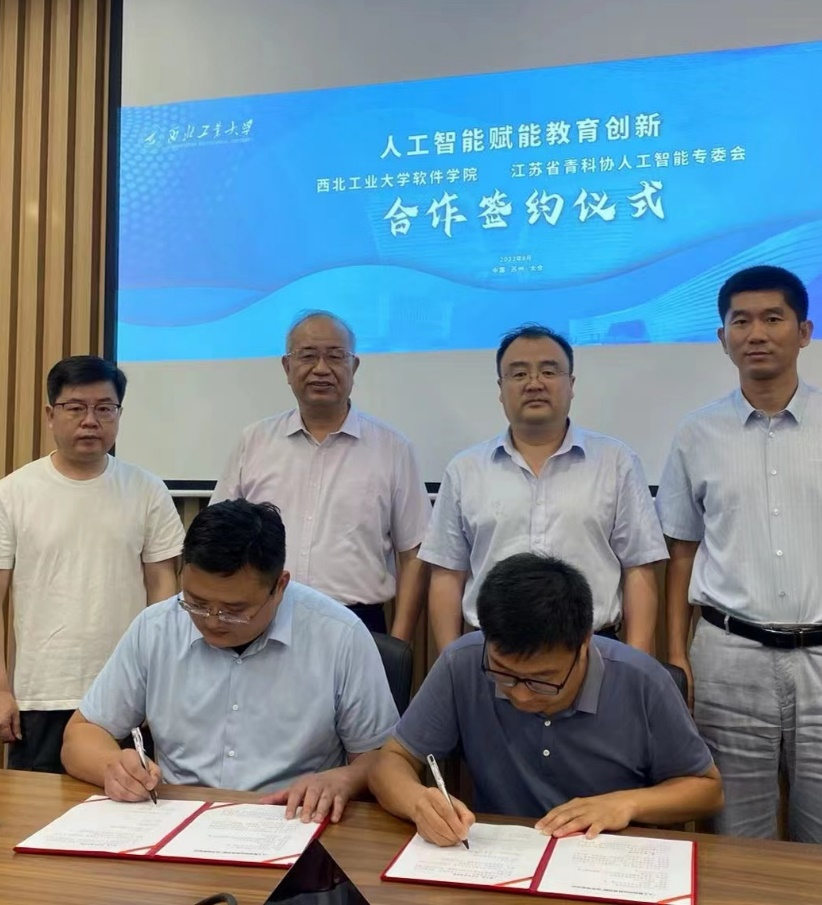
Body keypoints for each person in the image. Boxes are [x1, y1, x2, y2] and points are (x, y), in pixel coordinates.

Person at [656, 265, 822, 878]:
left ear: (805, 331)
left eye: (773, 318)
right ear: (723, 338)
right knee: (735, 841)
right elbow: (681, 553)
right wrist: (678, 659)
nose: (756, 333)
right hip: (727, 660)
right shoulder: (696, 433)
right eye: (740, 321)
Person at [61, 499, 399, 824]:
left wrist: (344, 780)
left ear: (280, 586)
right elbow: (81, 735)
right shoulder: (156, 628)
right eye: (196, 602)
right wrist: (113, 766)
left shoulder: (339, 636)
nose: (212, 620)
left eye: (234, 610)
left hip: (293, 821)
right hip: (176, 819)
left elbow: (382, 760)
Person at [369, 552, 721, 845]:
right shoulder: (462, 663)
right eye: (504, 674)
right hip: (499, 858)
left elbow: (707, 790)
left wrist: (625, 804)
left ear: (584, 644)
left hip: (605, 862)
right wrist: (419, 802)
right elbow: (390, 762)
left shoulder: (643, 682)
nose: (521, 695)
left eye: (542, 681)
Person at [0, 355, 186, 773]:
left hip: (126, 694)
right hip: (43, 694)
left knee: (129, 802)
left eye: (105, 408)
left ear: (119, 414)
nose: (90, 421)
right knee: (36, 809)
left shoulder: (147, 490)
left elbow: (163, 590)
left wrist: (157, 684)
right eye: (76, 408)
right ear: (51, 414)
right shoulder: (11, 493)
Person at [422, 324, 667, 653]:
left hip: (593, 649)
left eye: (549, 371)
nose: (534, 383)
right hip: (490, 652)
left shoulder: (616, 461)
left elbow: (639, 567)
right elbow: (447, 575)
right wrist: (452, 661)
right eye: (519, 374)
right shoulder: (465, 469)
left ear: (571, 384)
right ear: (501, 388)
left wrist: (634, 664)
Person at [212, 311, 430, 640]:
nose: (321, 369)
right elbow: (221, 533)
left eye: (335, 356)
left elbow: (413, 554)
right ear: (287, 367)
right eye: (308, 355)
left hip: (358, 624)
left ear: (354, 366)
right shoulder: (254, 442)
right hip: (261, 617)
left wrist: (397, 642)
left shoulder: (393, 448)